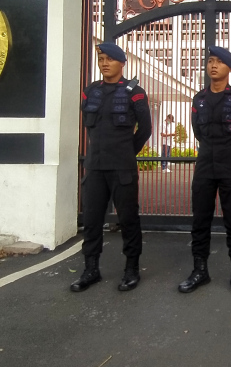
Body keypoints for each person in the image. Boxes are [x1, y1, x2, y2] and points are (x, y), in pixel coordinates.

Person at [178, 46, 231, 296]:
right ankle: (199, 270)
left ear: (229, 68)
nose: (213, 65)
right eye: (210, 61)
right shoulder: (199, 98)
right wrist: (212, 148)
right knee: (200, 220)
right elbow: (197, 131)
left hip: (230, 167)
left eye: (219, 62)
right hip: (204, 166)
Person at [71, 42, 152, 293]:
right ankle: (91, 269)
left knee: (128, 219)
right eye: (101, 58)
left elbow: (146, 129)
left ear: (122, 63)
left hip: (122, 168)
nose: (104, 63)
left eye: (109, 59)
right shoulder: (90, 92)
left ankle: (131, 269)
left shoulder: (135, 93)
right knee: (93, 220)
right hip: (95, 167)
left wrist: (127, 151)